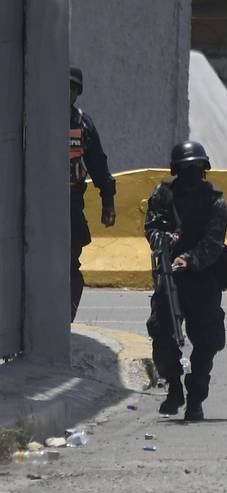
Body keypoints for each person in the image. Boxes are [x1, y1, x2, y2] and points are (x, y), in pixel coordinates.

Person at [144, 141, 227, 421]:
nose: (191, 173)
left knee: (206, 342)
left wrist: (189, 259)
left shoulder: (215, 200)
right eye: (185, 168)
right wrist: (164, 240)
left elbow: (214, 242)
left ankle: (195, 399)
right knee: (161, 333)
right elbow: (152, 227)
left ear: (203, 169)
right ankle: (174, 388)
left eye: (195, 168)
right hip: (170, 276)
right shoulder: (163, 193)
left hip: (203, 276)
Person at [69, 66, 116, 321]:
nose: (67, 92)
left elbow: (98, 164)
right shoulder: (39, 118)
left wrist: (108, 202)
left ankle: (65, 318)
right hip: (39, 206)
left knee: (70, 263)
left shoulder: (82, 124)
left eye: (72, 88)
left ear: (78, 92)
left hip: (71, 203)